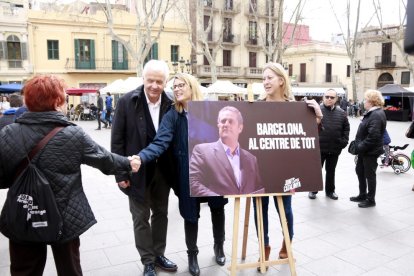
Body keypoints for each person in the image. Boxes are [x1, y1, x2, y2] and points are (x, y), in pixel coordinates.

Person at [0, 75, 140, 276]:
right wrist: (128, 163)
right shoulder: (73, 134)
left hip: (24, 213)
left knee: (24, 270)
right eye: (64, 99)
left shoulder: (8, 133)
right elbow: (105, 160)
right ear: (57, 102)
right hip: (65, 216)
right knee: (70, 270)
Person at [136, 73, 228, 276]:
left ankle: (219, 246)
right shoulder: (172, 115)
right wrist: (142, 157)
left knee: (218, 208)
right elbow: (160, 141)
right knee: (190, 215)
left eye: (181, 85)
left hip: (213, 171)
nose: (176, 89)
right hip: (188, 174)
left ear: (192, 86)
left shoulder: (210, 111)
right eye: (174, 86)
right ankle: (192, 255)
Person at [111, 59, 177, 276]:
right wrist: (120, 173)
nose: (154, 86)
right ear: (143, 79)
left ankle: (158, 254)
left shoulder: (171, 102)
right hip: (136, 171)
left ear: (166, 82)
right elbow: (117, 141)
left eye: (159, 81)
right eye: (151, 80)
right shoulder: (127, 102)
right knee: (140, 217)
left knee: (161, 214)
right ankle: (147, 260)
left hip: (163, 171)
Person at [253, 62, 323, 267]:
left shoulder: (295, 108)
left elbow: (308, 135)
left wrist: (318, 115)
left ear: (281, 80)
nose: (265, 82)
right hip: (259, 169)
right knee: (260, 210)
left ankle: (286, 245)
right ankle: (263, 249)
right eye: (263, 79)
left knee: (285, 209)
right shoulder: (255, 107)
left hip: (284, 170)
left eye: (269, 78)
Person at [189, 106, 264, 196]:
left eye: (230, 121)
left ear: (240, 128)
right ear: (218, 125)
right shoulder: (202, 151)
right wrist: (220, 198)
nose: (226, 124)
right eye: (223, 121)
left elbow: (258, 188)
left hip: (246, 207)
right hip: (220, 207)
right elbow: (193, 182)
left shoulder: (251, 159)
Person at [308, 89, 350, 200]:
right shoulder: (316, 111)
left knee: (331, 171)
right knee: (316, 171)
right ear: (323, 97)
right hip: (319, 149)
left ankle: (330, 191)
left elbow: (346, 128)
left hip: (334, 148)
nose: (329, 99)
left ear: (336, 99)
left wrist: (343, 142)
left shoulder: (341, 113)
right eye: (327, 97)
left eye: (332, 97)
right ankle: (313, 190)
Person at [350, 89, 386, 208]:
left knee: (370, 175)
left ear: (371, 101)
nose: (364, 102)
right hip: (365, 151)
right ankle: (362, 194)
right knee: (360, 170)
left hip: (369, 151)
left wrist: (360, 147)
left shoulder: (376, 114)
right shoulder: (372, 113)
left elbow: (373, 137)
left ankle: (371, 200)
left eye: (365, 99)